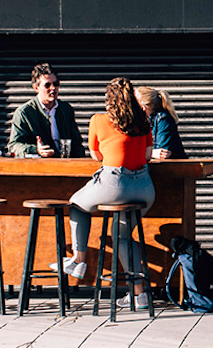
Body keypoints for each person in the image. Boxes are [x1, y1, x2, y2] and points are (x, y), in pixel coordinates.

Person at [57, 77, 155, 307]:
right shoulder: (144, 121)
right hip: (145, 188)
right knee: (121, 237)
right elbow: (148, 156)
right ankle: (140, 294)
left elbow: (96, 156)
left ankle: (79, 260)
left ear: (109, 100)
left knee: (76, 204)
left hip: (115, 184)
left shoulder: (98, 120)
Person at [8, 63, 85, 158]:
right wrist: (36, 150)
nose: (53, 88)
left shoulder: (66, 109)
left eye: (56, 84)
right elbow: (14, 145)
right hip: (39, 167)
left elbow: (76, 142)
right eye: (47, 85)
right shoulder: (24, 113)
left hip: (66, 165)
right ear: (36, 88)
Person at [135, 86, 186, 160]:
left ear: (143, 106)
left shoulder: (163, 119)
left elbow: (162, 151)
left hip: (172, 166)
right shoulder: (144, 120)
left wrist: (150, 152)